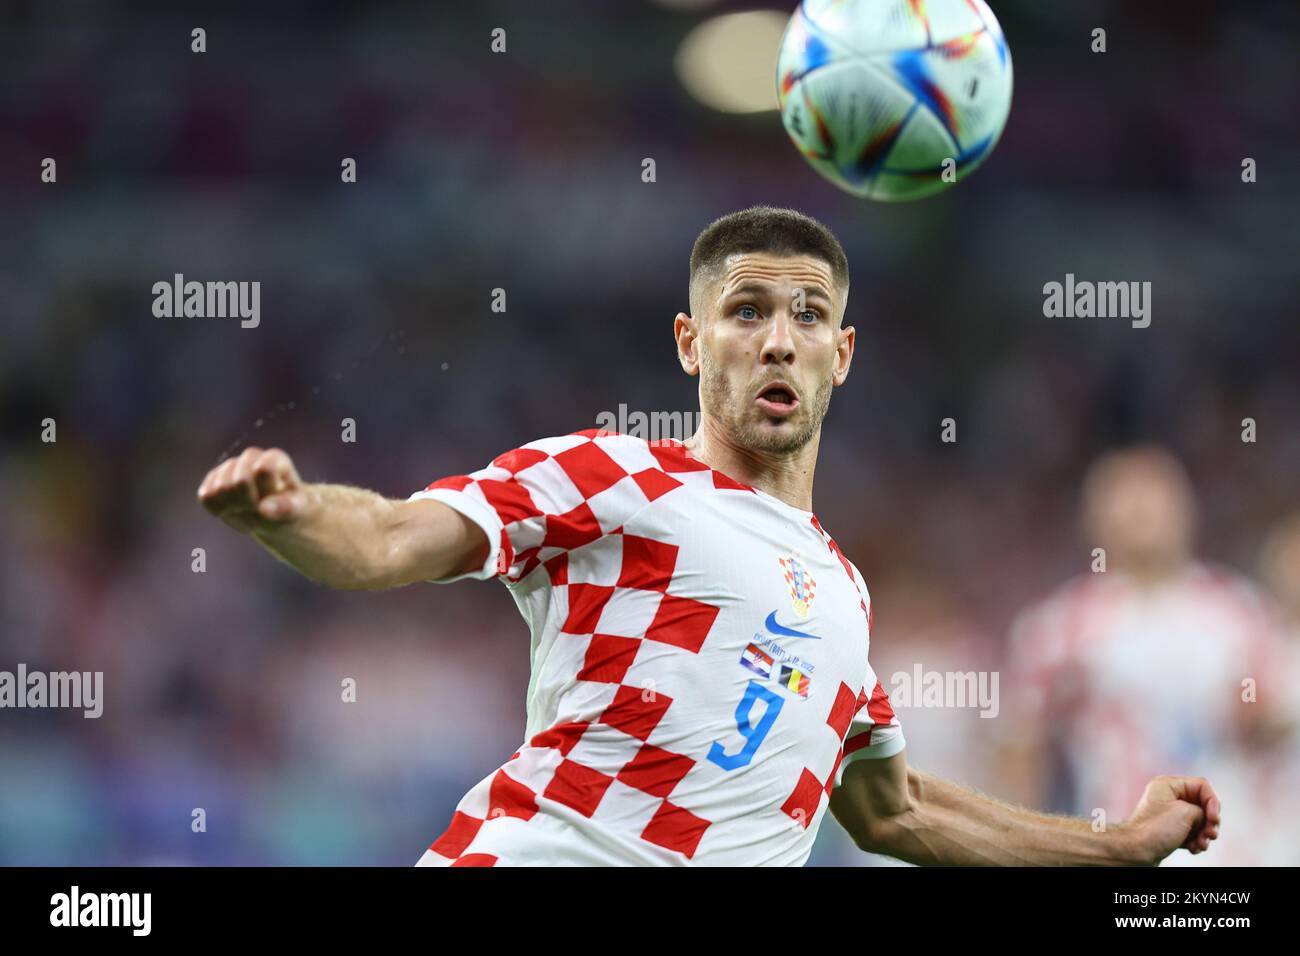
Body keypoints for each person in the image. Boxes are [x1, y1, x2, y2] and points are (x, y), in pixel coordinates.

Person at [197, 205, 1218, 866]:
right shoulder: (615, 473)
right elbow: (387, 538)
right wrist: (293, 511)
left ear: (842, 355)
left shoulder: (843, 591)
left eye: (809, 316)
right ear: (690, 341)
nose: (779, 336)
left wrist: (1117, 848)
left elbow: (895, 808)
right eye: (747, 310)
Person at [1002, 446, 1285, 864]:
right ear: (1093, 518)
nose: (1141, 510)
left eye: (1154, 494)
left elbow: (1277, 724)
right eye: (1124, 496)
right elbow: (1018, 748)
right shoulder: (1060, 628)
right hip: (1117, 846)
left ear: (1187, 507)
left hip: (1238, 850)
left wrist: (1256, 720)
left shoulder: (1240, 611)